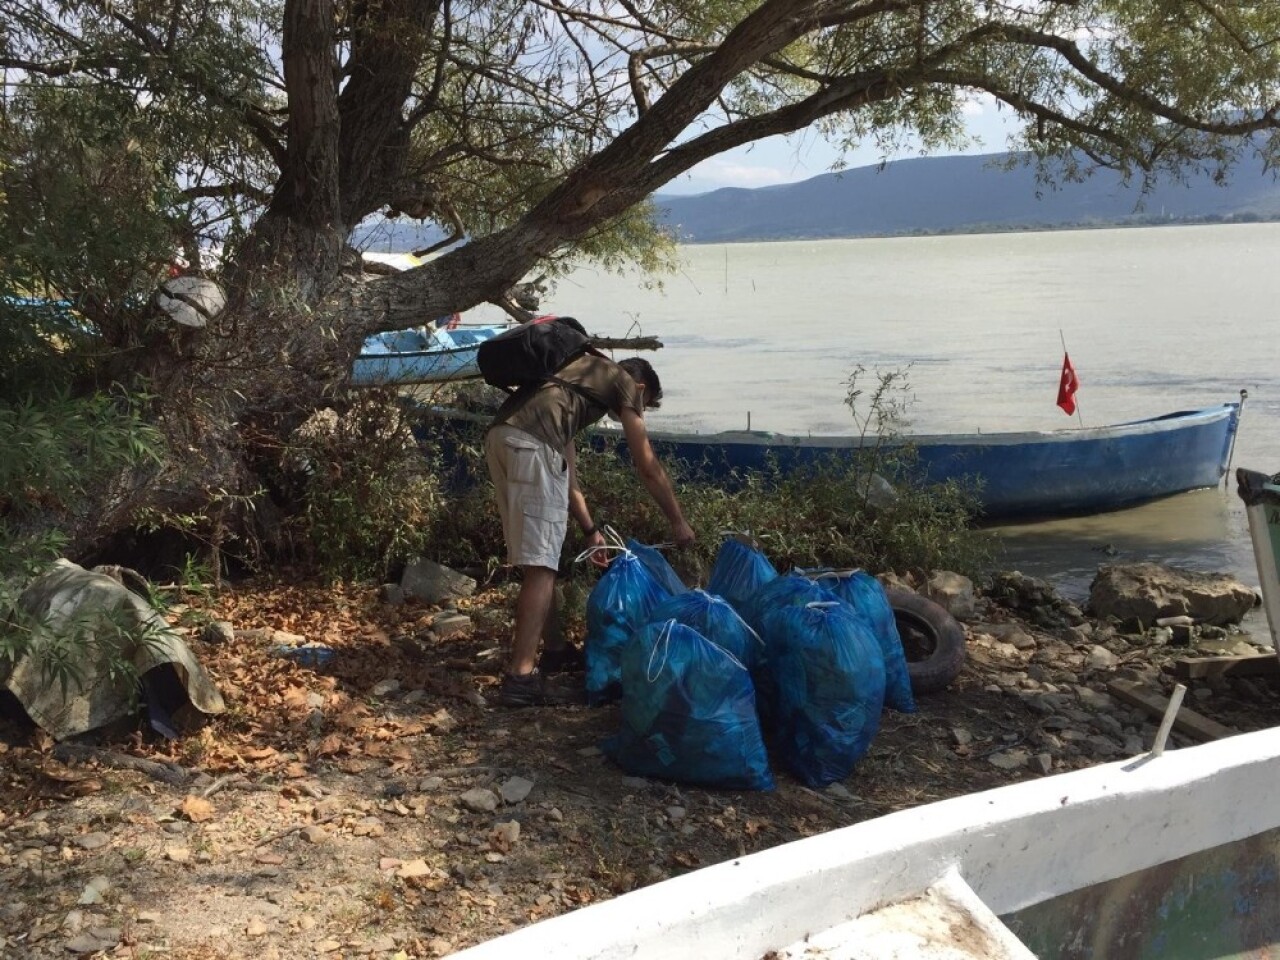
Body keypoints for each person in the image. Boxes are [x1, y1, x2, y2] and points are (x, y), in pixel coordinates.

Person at [485, 348, 695, 706]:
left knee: (538, 561)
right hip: (531, 447)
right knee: (542, 566)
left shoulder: (575, 378)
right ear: (641, 387)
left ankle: (553, 651)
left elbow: (569, 479)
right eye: (647, 404)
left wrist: (590, 531)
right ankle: (520, 679)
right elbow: (646, 464)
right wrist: (678, 521)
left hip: (501, 437)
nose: (640, 411)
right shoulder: (625, 382)